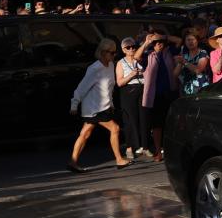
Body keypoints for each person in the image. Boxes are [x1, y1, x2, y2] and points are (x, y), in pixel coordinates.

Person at [68, 39, 132, 172]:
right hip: (94, 108)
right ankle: (119, 160)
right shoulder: (94, 69)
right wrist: (74, 104)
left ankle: (73, 162)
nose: (114, 55)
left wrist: (112, 104)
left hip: (103, 106)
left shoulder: (110, 66)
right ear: (103, 53)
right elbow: (82, 87)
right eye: (112, 53)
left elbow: (109, 88)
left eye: (115, 53)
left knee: (85, 133)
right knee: (115, 128)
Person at [141, 30, 178, 162]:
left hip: (169, 92)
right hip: (155, 95)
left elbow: (178, 41)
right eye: (156, 43)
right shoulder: (148, 55)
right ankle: (158, 151)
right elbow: (136, 56)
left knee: (170, 123)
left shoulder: (169, 52)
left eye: (161, 42)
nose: (159, 45)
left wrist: (163, 36)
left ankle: (169, 150)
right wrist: (146, 42)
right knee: (157, 125)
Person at [115, 37, 149, 159]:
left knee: (143, 118)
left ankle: (144, 146)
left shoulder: (139, 60)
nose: (131, 49)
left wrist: (142, 73)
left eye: (133, 47)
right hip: (128, 91)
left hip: (142, 90)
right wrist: (131, 75)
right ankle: (130, 147)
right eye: (128, 47)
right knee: (130, 120)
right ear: (123, 50)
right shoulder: (120, 63)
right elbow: (119, 82)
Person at [176, 30, 211, 95]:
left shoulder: (203, 53)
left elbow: (198, 70)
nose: (190, 42)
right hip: (186, 90)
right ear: (185, 42)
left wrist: (184, 61)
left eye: (193, 39)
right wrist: (179, 62)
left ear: (197, 40)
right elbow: (175, 74)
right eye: (188, 40)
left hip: (200, 89)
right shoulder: (184, 55)